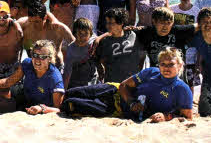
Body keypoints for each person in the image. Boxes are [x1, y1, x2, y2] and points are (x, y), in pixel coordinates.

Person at [62, 47, 193, 122]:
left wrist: (166, 116)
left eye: (171, 64)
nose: (166, 68)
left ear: (180, 65)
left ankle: (50, 109)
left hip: (116, 109)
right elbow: (124, 85)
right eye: (163, 64)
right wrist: (131, 102)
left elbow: (187, 117)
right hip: (113, 89)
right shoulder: (151, 72)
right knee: (69, 93)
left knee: (70, 104)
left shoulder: (181, 89)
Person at [0, 40, 64, 115]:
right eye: (35, 55)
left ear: (50, 59)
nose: (37, 60)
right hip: (22, 95)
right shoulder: (27, 63)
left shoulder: (54, 78)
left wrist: (42, 108)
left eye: (42, 57)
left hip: (36, 106)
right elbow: (8, 82)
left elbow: (58, 109)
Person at [17, 0, 71, 69]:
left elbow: (75, 44)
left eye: (37, 22)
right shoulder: (24, 24)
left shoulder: (57, 27)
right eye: (31, 21)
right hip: (35, 67)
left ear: (45, 17)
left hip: (55, 67)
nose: (33, 25)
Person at [96, 8, 144, 83]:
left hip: (132, 82)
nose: (108, 26)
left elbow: (142, 56)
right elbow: (100, 62)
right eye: (107, 22)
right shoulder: (104, 41)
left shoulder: (134, 35)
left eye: (111, 23)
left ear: (121, 23)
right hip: (113, 82)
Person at [63, 18, 98, 89]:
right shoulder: (71, 49)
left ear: (90, 34)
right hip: (77, 84)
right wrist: (64, 92)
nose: (82, 37)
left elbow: (109, 34)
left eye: (86, 33)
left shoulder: (93, 42)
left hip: (94, 82)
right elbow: (67, 74)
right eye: (79, 33)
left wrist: (98, 39)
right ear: (74, 33)